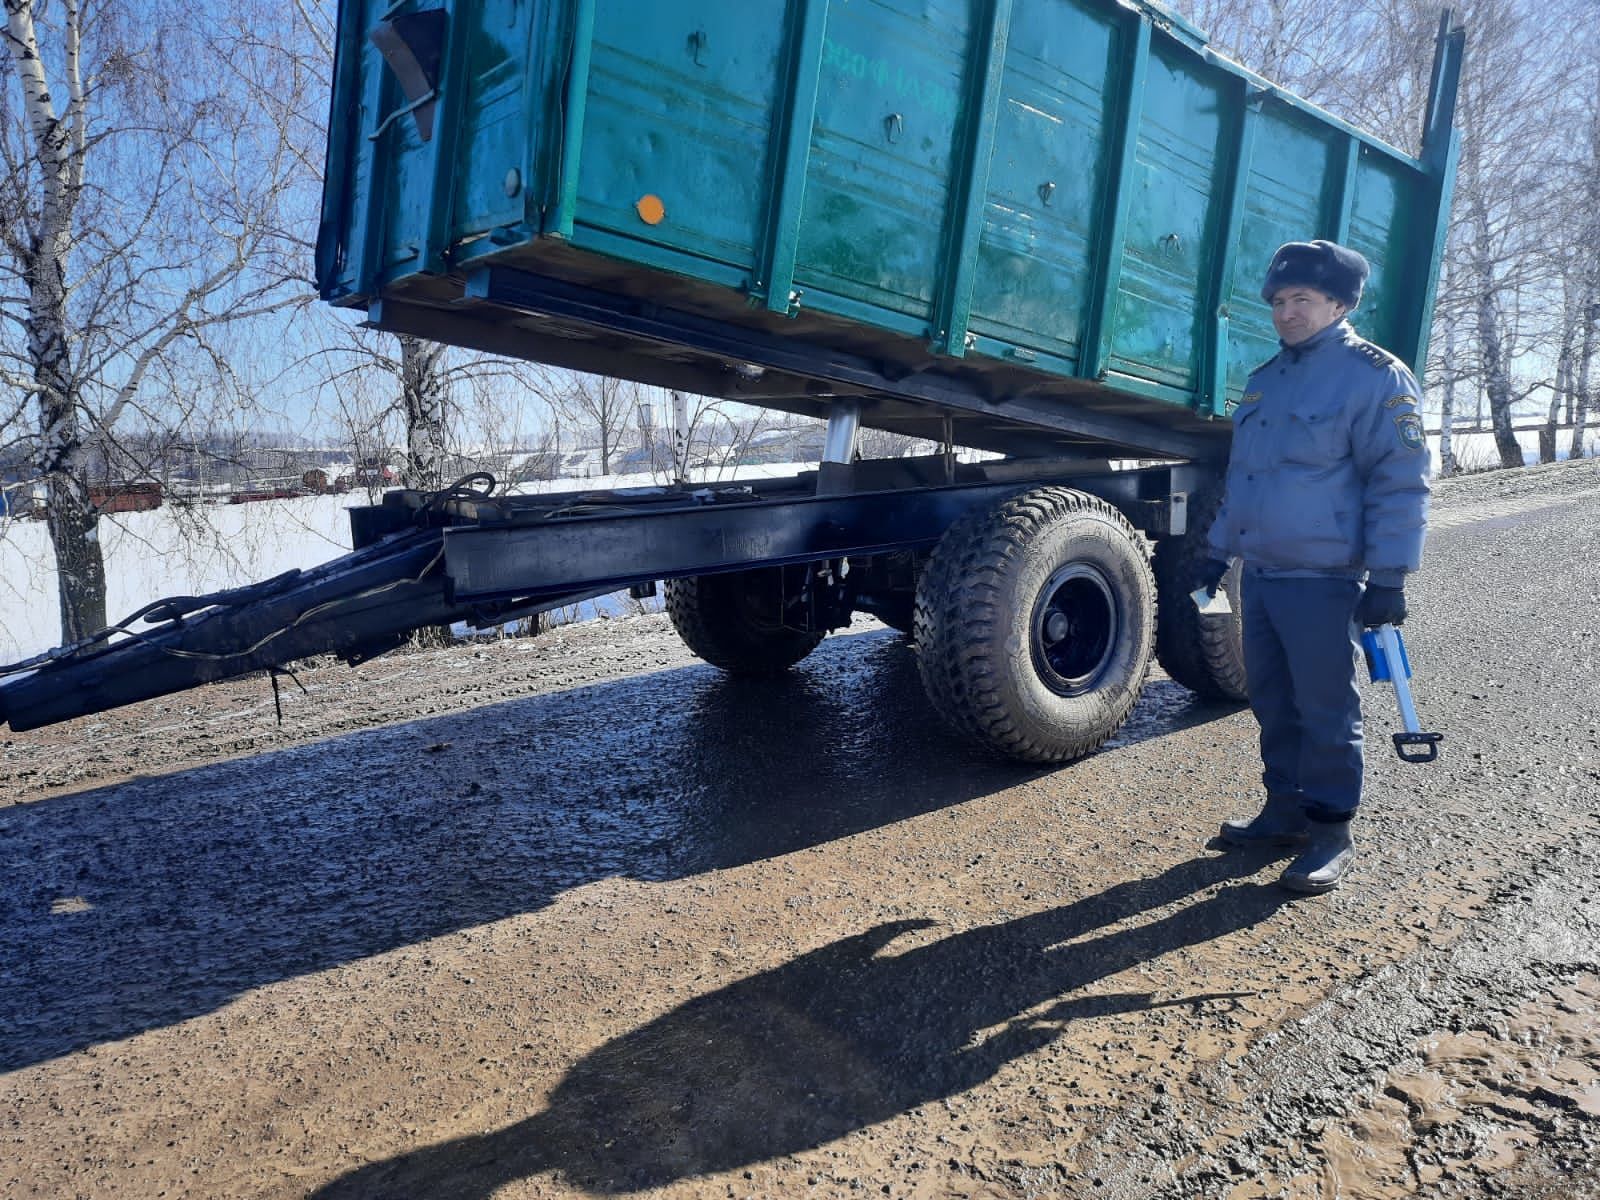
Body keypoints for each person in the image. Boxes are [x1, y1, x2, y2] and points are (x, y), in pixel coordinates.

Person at [1193, 239, 1429, 894]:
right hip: (1262, 576)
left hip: (1324, 581)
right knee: (1272, 700)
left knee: (1324, 707)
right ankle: (1285, 809)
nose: (1286, 312)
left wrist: (1388, 578)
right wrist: (1215, 554)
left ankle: (1330, 831)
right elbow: (1244, 480)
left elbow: (1401, 482)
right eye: (1278, 300)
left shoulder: (1376, 377)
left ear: (1340, 303)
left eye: (1302, 299)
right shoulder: (1265, 380)